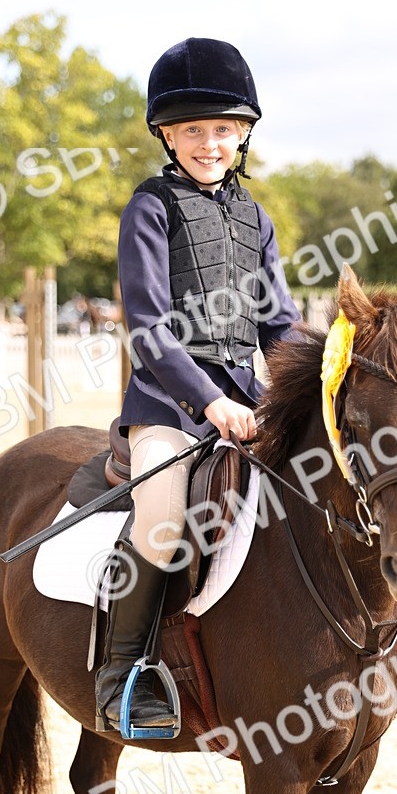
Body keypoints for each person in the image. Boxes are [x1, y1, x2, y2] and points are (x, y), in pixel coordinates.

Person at [94, 38, 300, 735]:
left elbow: (279, 323)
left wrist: (317, 376)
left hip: (247, 400)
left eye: (222, 129)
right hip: (168, 406)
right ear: (167, 135)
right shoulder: (149, 208)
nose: (209, 143)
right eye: (192, 131)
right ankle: (121, 673)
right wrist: (208, 401)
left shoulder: (256, 217)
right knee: (162, 520)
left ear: (243, 133)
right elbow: (149, 328)